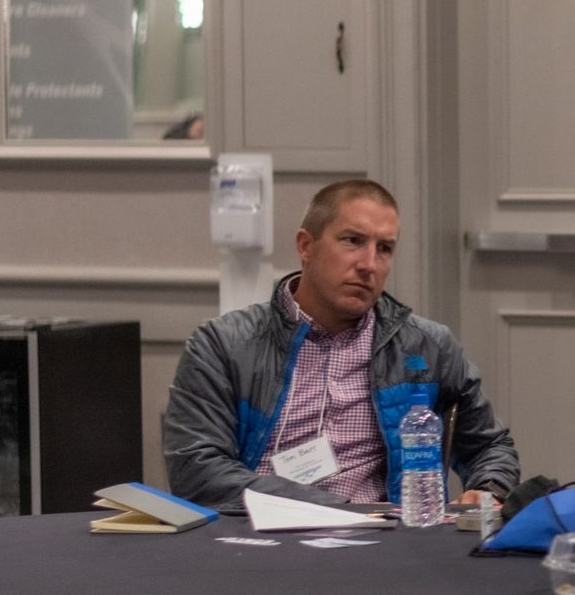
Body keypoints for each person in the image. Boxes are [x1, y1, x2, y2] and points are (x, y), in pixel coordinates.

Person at [162, 178, 519, 511]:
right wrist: (329, 509)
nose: (368, 264)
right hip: (260, 535)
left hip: (385, 544)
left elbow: (490, 446)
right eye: (352, 241)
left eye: (384, 249)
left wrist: (488, 490)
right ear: (306, 245)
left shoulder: (426, 346)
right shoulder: (224, 345)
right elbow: (197, 471)